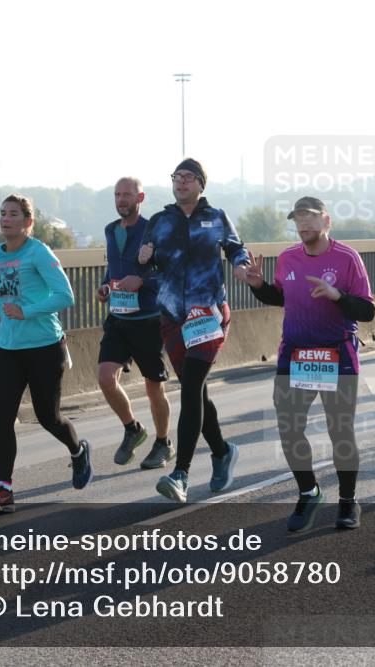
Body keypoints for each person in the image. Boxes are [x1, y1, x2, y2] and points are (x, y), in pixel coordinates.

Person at [238, 196, 375, 531]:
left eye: (310, 218)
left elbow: (367, 311)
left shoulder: (347, 258)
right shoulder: (287, 257)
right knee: (289, 428)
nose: (303, 225)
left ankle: (347, 501)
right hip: (296, 353)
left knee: (339, 430)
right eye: (298, 219)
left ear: (326, 221)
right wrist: (259, 286)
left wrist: (338, 296)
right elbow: (280, 296)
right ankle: (308, 491)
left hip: (336, 352)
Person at [0, 194, 91, 513]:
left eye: (13, 214)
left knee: (48, 417)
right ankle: (4, 489)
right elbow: (4, 293)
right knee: (3, 419)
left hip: (43, 347)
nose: (5, 219)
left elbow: (66, 296)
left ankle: (77, 451)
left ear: (28, 222)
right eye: (2, 214)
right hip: (7, 349)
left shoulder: (38, 252)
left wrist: (28, 312)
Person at [139, 159, 250, 503]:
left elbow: (235, 248)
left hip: (208, 313)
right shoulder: (159, 221)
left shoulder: (215, 217)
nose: (181, 182)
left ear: (201, 185)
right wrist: (144, 259)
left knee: (190, 389)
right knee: (195, 392)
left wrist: (243, 266)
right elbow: (149, 262)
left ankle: (181, 473)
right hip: (172, 316)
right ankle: (221, 451)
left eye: (188, 178)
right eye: (177, 177)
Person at [96, 178, 173, 469]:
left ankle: (163, 443)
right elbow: (113, 269)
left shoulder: (153, 230)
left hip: (149, 320)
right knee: (105, 378)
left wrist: (141, 280)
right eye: (117, 194)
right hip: (117, 317)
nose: (121, 199)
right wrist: (105, 287)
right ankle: (133, 429)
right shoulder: (110, 230)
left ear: (140, 197)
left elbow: (168, 272)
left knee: (154, 387)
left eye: (127, 194)